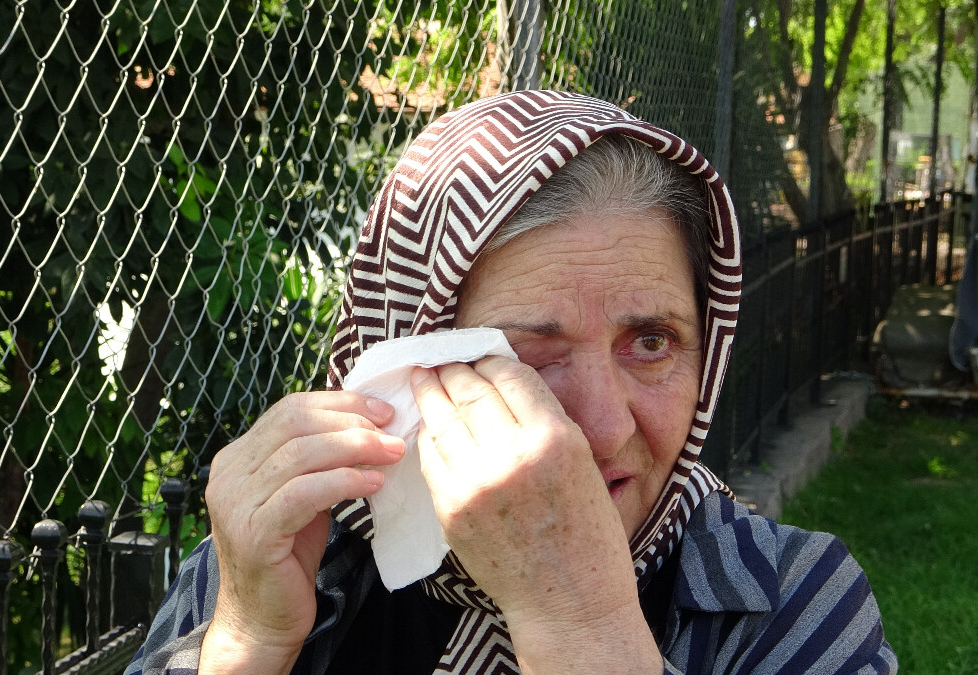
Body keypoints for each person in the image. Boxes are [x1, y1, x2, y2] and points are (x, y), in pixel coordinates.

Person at [127, 90, 896, 674]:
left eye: (653, 341)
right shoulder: (277, 561)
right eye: (523, 356)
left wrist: (580, 622)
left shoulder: (788, 602)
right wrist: (250, 639)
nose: (600, 427)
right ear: (401, 356)